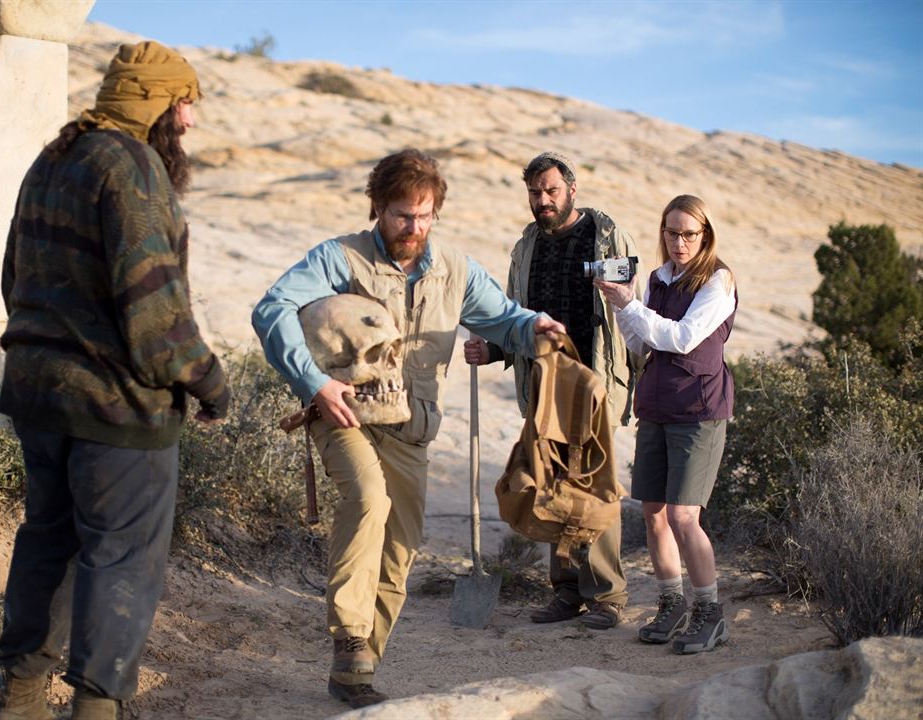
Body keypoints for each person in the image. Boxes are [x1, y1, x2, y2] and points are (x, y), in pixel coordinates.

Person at [252, 149, 567, 709]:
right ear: (378, 208)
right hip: (344, 411)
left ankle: (357, 668)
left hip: (412, 427)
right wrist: (313, 383)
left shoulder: (456, 270)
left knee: (400, 546)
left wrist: (535, 325)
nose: (413, 228)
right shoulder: (338, 257)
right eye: (402, 215)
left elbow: (505, 319)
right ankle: (349, 635)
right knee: (369, 499)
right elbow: (272, 307)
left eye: (424, 216)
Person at [0, 41, 230, 720]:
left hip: (37, 396)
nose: (189, 121)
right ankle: (96, 709)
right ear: (156, 103)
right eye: (184, 103)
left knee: (47, 538)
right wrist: (209, 382)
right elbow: (156, 316)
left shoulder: (53, 157)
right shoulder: (133, 168)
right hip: (115, 409)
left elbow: (13, 276)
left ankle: (22, 698)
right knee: (121, 558)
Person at [464, 152, 641, 630]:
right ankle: (566, 592)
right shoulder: (526, 245)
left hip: (595, 381)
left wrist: (639, 379)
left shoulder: (605, 235)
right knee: (550, 483)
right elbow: (514, 317)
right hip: (543, 382)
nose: (542, 201)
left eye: (551, 191)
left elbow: (630, 312)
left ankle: (608, 595)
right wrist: (495, 350)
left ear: (571, 190)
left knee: (596, 485)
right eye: (535, 193)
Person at [595, 194, 736, 654]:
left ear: (705, 234)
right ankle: (672, 605)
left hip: (699, 409)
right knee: (653, 512)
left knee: (683, 515)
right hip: (656, 405)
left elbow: (681, 337)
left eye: (689, 233)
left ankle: (710, 615)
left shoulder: (718, 280)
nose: (679, 242)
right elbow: (640, 346)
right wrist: (621, 305)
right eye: (672, 233)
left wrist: (633, 306)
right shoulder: (658, 279)